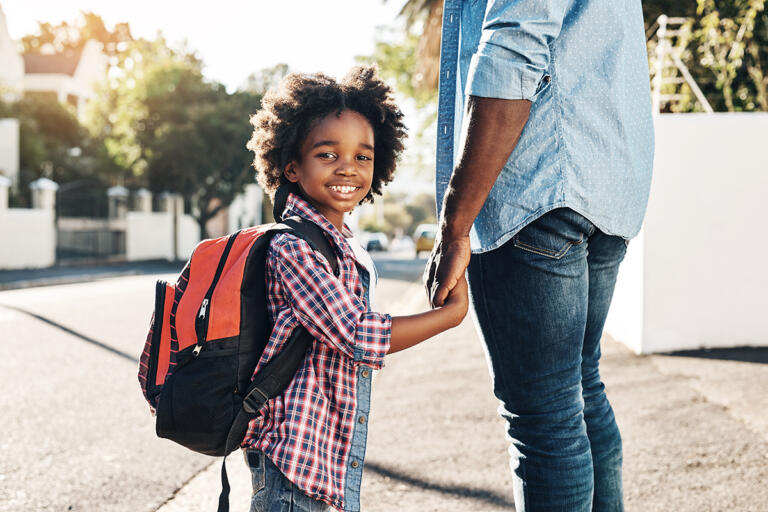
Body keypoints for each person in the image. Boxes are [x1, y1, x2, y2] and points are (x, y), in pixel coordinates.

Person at [425, 1, 654, 510]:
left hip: (535, 188)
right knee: (580, 387)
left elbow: (513, 49)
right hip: (604, 186)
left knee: (545, 418)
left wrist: (456, 225)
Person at [244, 65, 469, 512]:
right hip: (292, 468)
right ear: (291, 166)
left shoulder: (341, 244)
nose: (348, 166)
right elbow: (355, 333)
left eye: (363, 156)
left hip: (323, 461)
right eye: (327, 154)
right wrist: (449, 317)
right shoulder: (292, 247)